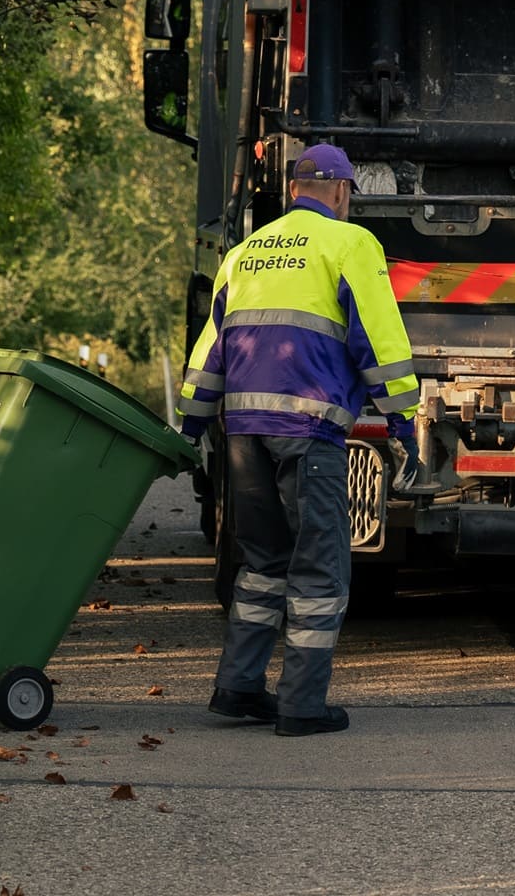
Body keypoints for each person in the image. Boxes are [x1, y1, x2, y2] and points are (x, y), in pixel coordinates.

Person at [177, 143, 420, 736]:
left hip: (245, 434)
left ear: (293, 190)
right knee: (320, 568)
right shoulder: (350, 244)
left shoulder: (245, 253)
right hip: (308, 432)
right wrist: (403, 422)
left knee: (261, 564)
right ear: (341, 191)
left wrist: (189, 424)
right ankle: (302, 705)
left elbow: (211, 349)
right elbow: (378, 341)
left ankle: (237, 689)